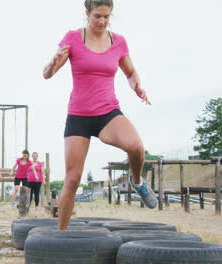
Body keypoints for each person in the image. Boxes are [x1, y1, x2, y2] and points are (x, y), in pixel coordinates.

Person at [43, 0, 156, 230]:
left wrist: (138, 87)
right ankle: (60, 236)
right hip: (78, 116)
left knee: (136, 147)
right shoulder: (74, 37)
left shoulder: (118, 41)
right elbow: (47, 74)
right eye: (97, 16)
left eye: (106, 16)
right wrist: (53, 62)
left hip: (107, 113)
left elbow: (131, 72)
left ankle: (138, 182)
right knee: (72, 179)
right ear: (87, 13)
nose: (102, 21)